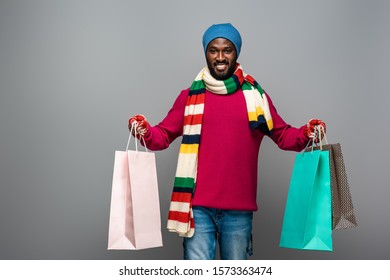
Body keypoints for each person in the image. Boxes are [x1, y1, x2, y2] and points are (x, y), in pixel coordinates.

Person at [128, 23, 325, 260]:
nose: (220, 57)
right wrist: (143, 130)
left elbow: (283, 135)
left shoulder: (256, 97)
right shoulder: (189, 97)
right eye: (213, 50)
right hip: (197, 208)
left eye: (227, 50)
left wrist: (307, 132)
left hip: (239, 211)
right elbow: (162, 136)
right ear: (206, 53)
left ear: (236, 53)